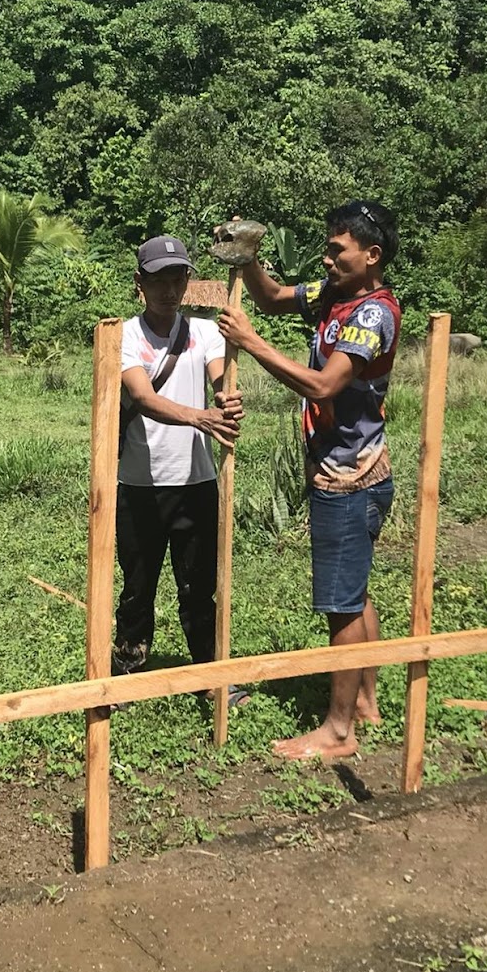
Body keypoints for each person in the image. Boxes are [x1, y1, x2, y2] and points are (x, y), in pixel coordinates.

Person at [215, 200, 404, 761]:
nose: (327, 258)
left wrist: (250, 343)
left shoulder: (372, 314)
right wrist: (248, 260)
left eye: (338, 251)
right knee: (357, 593)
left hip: (350, 476)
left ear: (372, 256)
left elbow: (323, 387)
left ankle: (338, 731)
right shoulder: (334, 295)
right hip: (353, 468)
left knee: (342, 605)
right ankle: (366, 701)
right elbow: (273, 298)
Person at [115, 235, 245, 698]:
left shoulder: (205, 333)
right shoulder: (124, 335)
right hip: (140, 484)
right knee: (137, 588)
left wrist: (225, 398)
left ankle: (210, 676)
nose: (169, 290)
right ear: (140, 284)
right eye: (159, 281)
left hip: (197, 482)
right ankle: (127, 672)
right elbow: (144, 398)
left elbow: (218, 376)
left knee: (199, 587)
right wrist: (202, 417)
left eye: (178, 279)